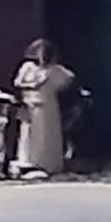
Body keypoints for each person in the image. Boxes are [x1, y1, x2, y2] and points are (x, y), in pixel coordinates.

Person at [13, 38, 76, 178]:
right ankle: (27, 162)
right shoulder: (27, 67)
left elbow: (70, 77)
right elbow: (17, 82)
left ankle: (47, 164)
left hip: (46, 105)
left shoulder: (53, 70)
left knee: (46, 134)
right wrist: (31, 86)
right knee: (28, 134)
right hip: (29, 104)